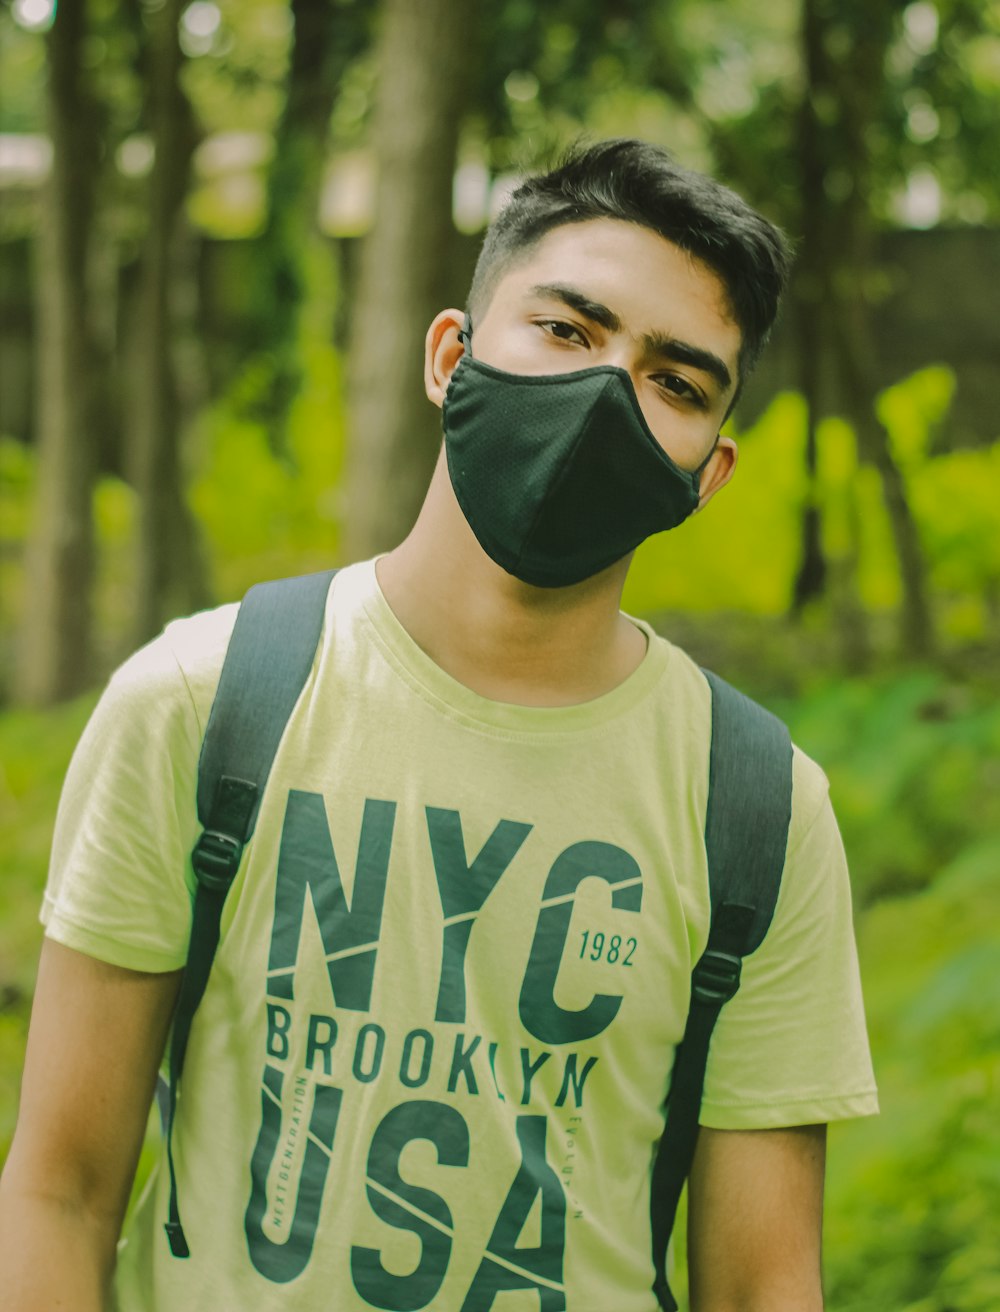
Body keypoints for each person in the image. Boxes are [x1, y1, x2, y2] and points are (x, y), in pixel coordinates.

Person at [0, 138, 877, 1311]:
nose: (604, 393)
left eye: (672, 380)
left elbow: (765, 1283)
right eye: (566, 331)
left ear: (705, 476)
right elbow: (59, 1192)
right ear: (450, 356)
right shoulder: (204, 703)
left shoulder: (757, 805)